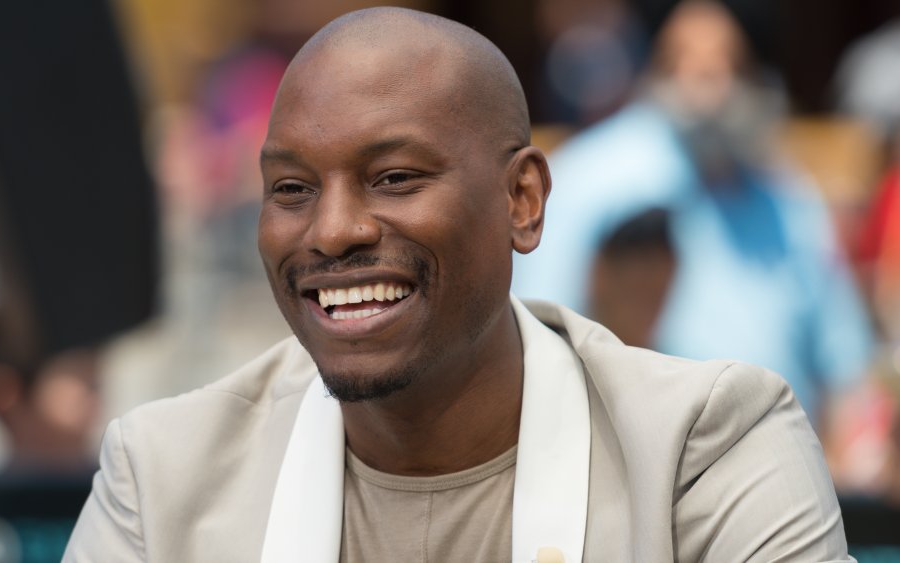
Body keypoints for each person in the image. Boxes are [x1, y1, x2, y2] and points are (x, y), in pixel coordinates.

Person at [64, 7, 852, 562]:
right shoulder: (164, 473)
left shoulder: (704, 448)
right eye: (292, 189)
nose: (333, 231)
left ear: (522, 201)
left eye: (395, 176)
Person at [513, 0, 873, 427]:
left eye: (729, 64)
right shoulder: (590, 183)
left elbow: (850, 369)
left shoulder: (789, 201)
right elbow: (535, 346)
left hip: (782, 462)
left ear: (759, 75)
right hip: (640, 464)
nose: (706, 89)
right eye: (686, 62)